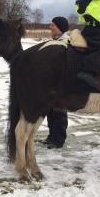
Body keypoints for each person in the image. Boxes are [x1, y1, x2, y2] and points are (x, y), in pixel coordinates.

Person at [43, 16, 70, 148]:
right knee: (50, 112)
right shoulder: (53, 41)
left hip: (61, 83)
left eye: (53, 25)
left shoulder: (66, 42)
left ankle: (58, 140)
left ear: (60, 28)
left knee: (59, 112)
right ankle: (51, 136)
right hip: (50, 83)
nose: (50, 27)